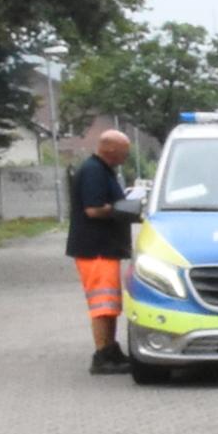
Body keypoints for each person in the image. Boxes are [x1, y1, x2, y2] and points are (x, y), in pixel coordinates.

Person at [68, 127, 139, 376]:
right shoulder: (93, 172)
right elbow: (93, 209)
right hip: (95, 249)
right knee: (102, 305)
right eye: (124, 151)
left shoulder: (101, 170)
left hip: (103, 249)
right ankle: (102, 355)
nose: (126, 156)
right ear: (110, 149)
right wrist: (122, 209)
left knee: (109, 304)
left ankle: (111, 350)